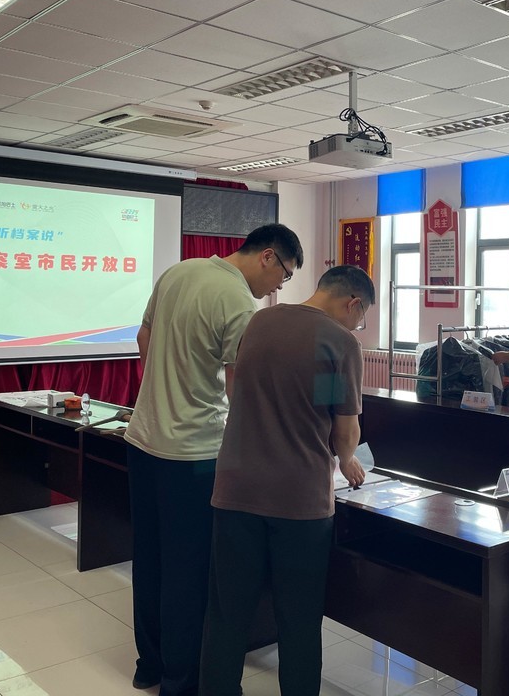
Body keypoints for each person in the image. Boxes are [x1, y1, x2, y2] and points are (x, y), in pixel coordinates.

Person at [123, 224, 304, 696]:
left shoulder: (178, 272)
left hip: (142, 441)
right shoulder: (238, 301)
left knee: (150, 558)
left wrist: (162, 392)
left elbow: (144, 337)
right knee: (187, 572)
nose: (277, 287)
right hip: (193, 455)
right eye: (284, 275)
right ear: (268, 256)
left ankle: (150, 665)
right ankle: (179, 684)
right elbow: (238, 386)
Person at [200, 265, 372, 696]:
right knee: (298, 619)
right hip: (298, 500)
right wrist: (347, 458)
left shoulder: (261, 320)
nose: (358, 326)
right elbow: (344, 429)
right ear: (353, 303)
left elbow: (237, 390)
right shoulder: (340, 341)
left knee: (226, 612)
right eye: (362, 317)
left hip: (234, 489)